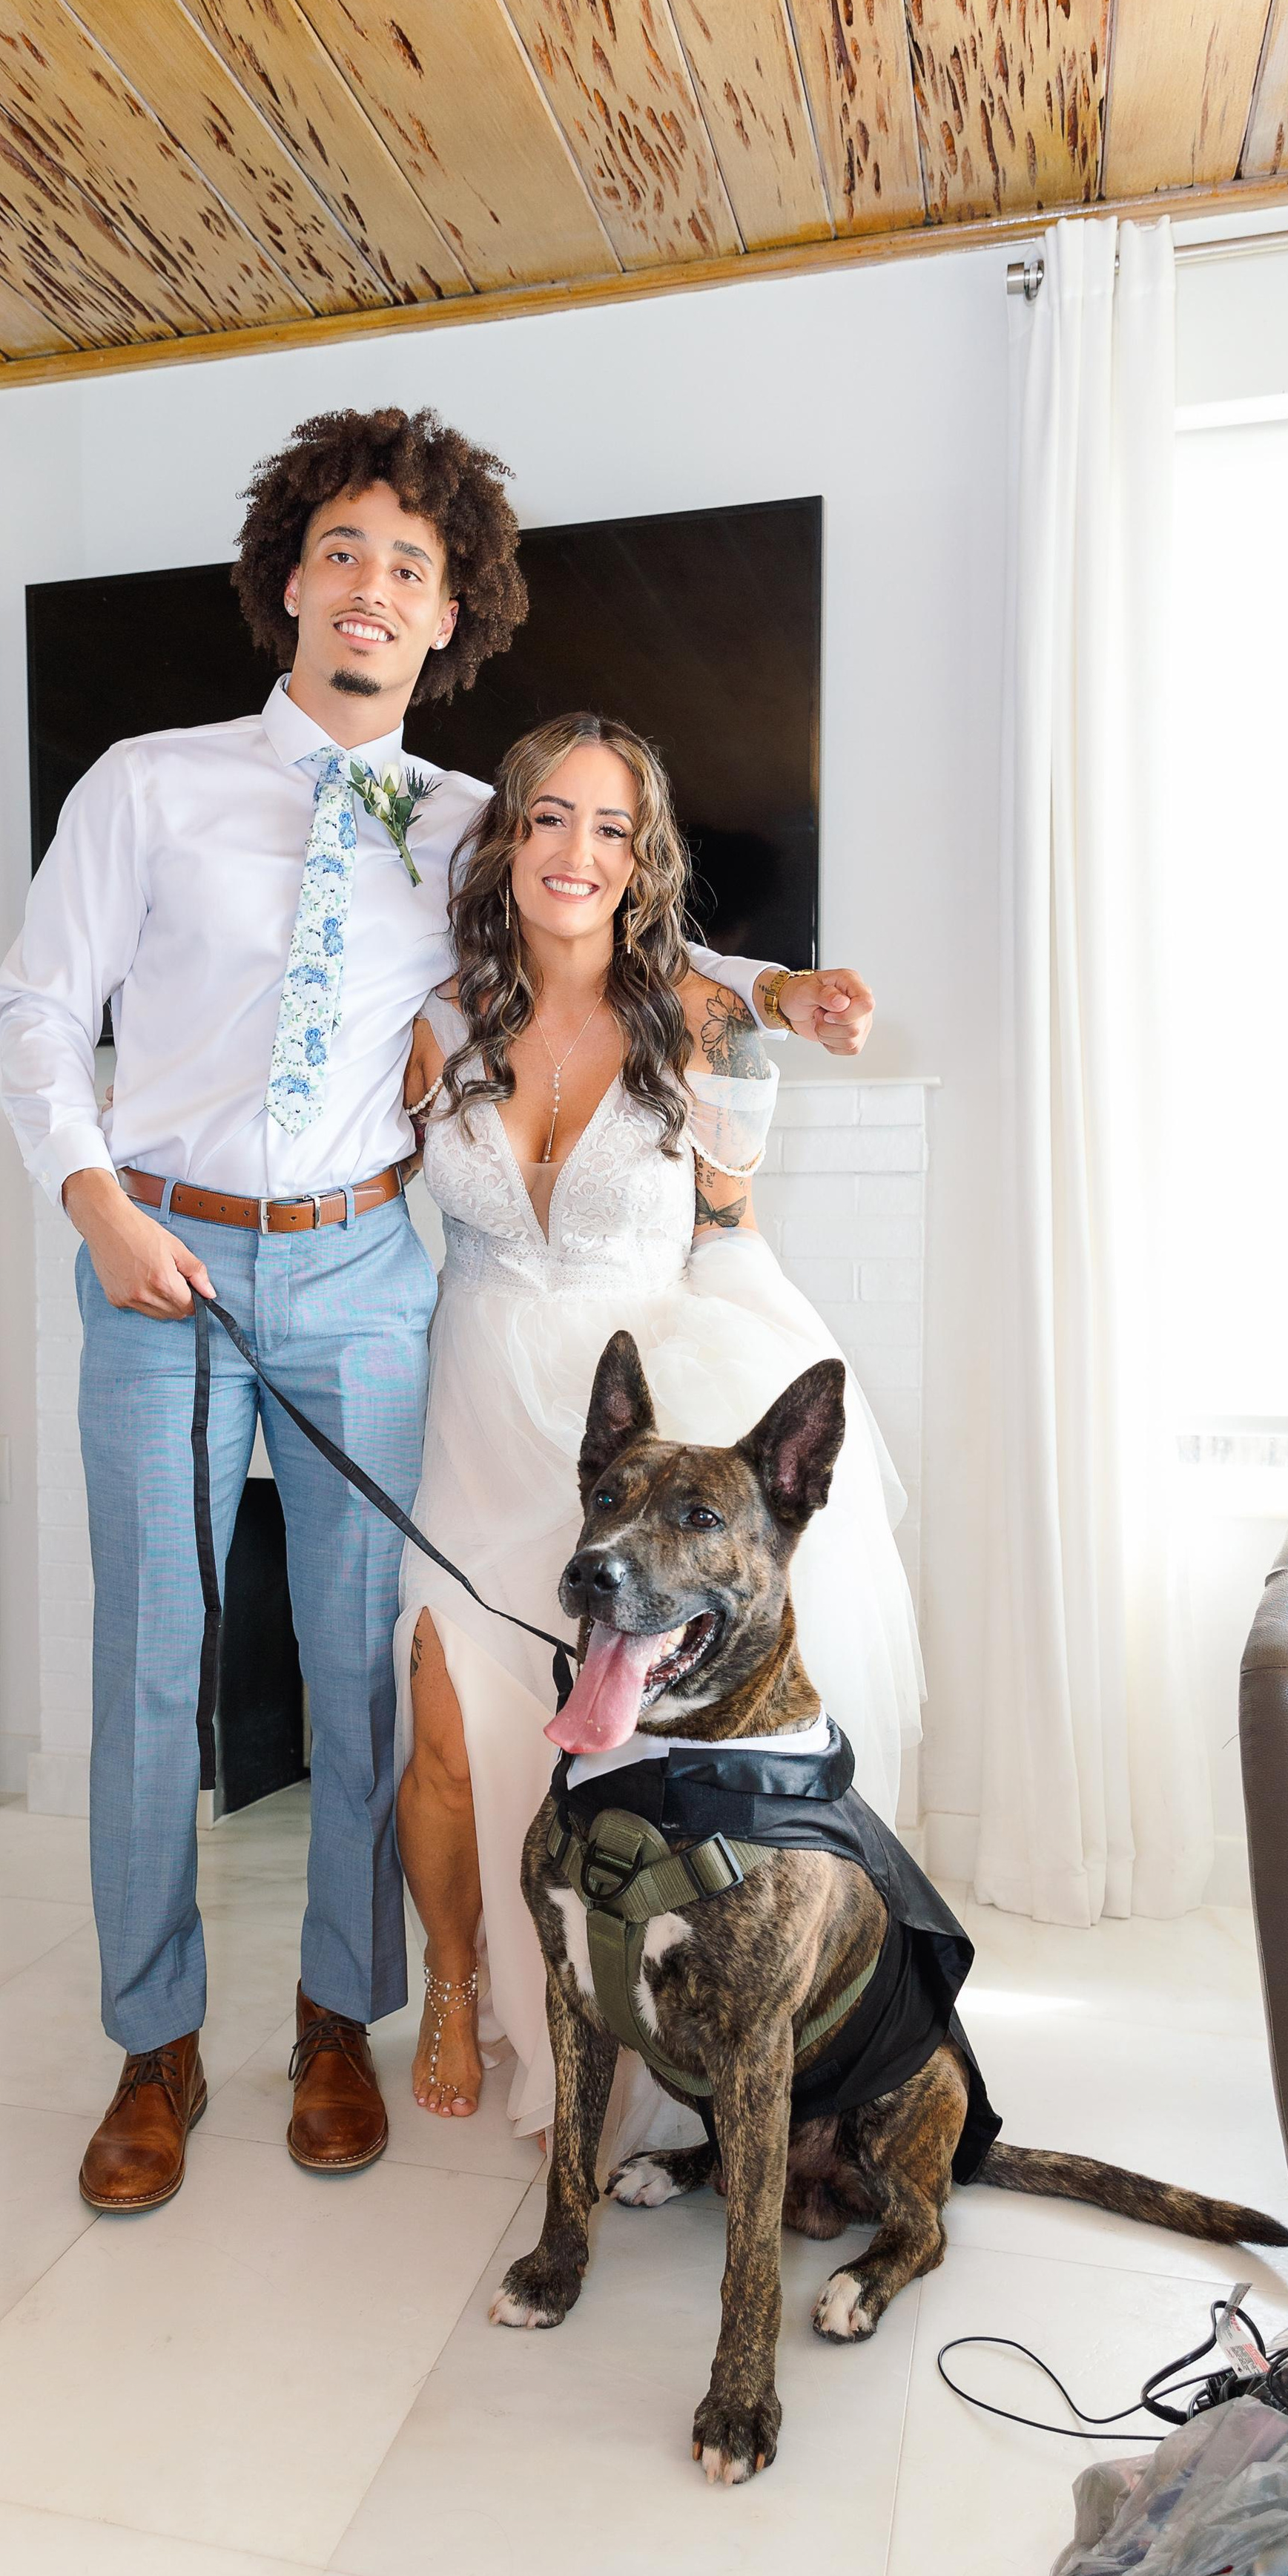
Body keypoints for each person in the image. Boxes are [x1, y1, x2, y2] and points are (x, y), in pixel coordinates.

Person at [0, 405, 875, 2213]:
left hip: (362, 1270)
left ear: (446, 607)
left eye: (411, 563)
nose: (372, 587)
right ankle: (152, 2047)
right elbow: (30, 1012)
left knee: (355, 1667)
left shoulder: (478, 820)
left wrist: (780, 989)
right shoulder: (145, 787)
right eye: (344, 552)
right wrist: (92, 1206)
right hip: (156, 1256)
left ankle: (338, 2015)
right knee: (155, 1674)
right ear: (289, 582)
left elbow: (620, 927)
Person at [394, 710, 922, 2160]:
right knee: (445, 1723)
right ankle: (457, 1985)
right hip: (476, 1399)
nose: (577, 851)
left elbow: (729, 1227)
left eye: (610, 828)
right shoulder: (429, 1021)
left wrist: (749, 1408)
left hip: (631, 1414)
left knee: (632, 1745)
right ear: (508, 838)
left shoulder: (694, 1011)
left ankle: (657, 2016)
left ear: (642, 860)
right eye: (550, 818)